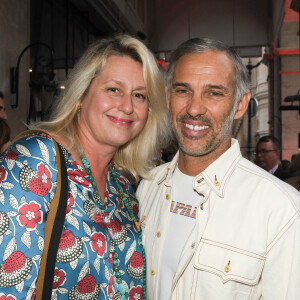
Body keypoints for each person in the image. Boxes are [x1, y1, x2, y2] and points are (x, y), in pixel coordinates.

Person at [0, 34, 170, 299]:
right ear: (81, 95)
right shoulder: (34, 160)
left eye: (139, 95)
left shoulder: (122, 188)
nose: (127, 106)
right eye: (114, 89)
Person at [137, 37, 300, 299]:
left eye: (214, 93)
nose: (194, 108)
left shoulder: (282, 209)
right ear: (168, 98)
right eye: (183, 90)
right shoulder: (148, 187)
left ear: (240, 104)